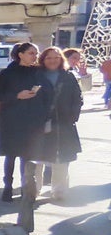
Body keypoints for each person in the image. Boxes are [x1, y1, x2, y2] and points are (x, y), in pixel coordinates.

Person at [0, 42, 51, 202]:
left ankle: (26, 188)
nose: (35, 56)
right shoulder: (7, 73)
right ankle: (7, 187)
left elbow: (47, 95)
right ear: (21, 54)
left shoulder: (38, 72)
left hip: (33, 120)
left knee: (28, 156)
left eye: (36, 53)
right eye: (31, 53)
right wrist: (17, 95)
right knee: (11, 155)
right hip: (12, 120)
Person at [37, 46, 82, 203]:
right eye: (49, 58)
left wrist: (72, 116)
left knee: (62, 158)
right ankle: (34, 189)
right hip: (40, 122)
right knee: (37, 157)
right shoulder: (36, 76)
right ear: (43, 60)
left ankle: (59, 190)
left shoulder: (68, 76)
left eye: (56, 57)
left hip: (64, 123)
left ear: (61, 59)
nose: (52, 60)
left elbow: (78, 97)